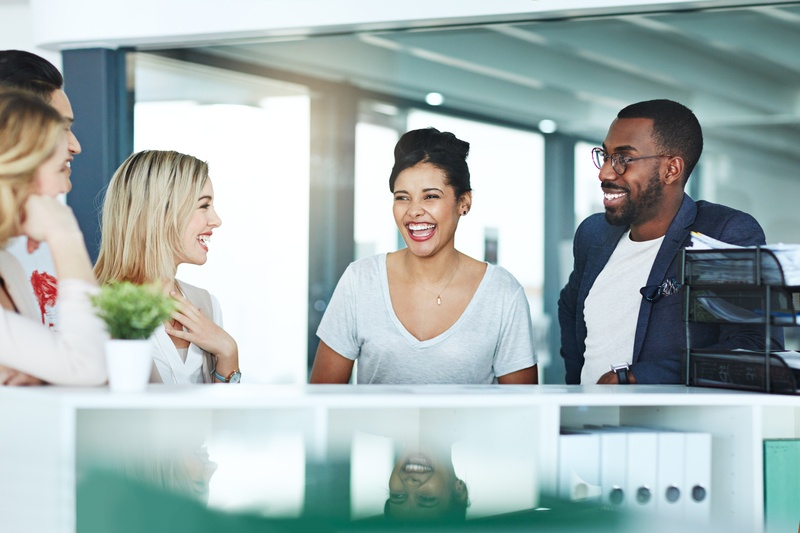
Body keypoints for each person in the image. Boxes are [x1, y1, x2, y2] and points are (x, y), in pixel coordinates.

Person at [558, 99, 781, 385]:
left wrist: (637, 379)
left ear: (671, 169)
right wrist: (576, 389)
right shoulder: (593, 234)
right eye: (605, 155)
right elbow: (570, 309)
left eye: (623, 159)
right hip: (588, 422)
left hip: (674, 424)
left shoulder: (721, 234)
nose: (605, 172)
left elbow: (754, 345)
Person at [310, 127, 537, 384]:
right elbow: (322, 399)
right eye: (402, 197)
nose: (414, 211)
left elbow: (524, 410)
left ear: (464, 202)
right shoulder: (360, 280)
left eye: (430, 196)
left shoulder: (502, 293)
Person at [94, 150, 240, 384]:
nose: (216, 220)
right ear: (160, 212)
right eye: (203, 206)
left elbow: (225, 417)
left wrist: (228, 351)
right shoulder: (97, 308)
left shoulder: (208, 305)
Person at [0, 89, 107, 385]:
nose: (66, 187)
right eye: (61, 168)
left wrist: (42, 375)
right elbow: (88, 368)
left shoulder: (7, 266)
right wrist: (65, 235)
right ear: (21, 172)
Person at [0, 50, 82, 329]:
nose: (75, 146)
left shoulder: (31, 245)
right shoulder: (56, 233)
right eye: (62, 128)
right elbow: (84, 365)